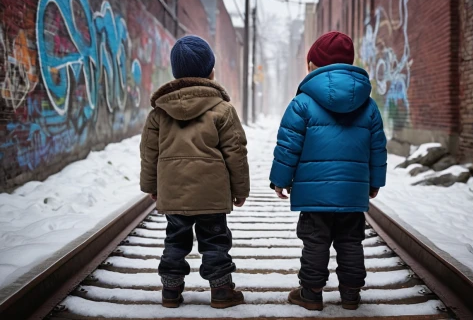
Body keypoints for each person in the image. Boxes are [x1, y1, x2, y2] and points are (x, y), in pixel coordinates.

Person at [269, 31, 387, 311]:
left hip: (314, 194)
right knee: (351, 241)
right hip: (351, 192)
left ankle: (310, 293)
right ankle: (350, 295)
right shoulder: (368, 105)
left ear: (312, 66)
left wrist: (280, 180)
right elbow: (377, 147)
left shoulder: (302, 102)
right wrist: (375, 181)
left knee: (314, 242)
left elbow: (288, 144)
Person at [140, 35, 250, 309]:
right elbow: (236, 152)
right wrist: (240, 189)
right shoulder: (222, 110)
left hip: (174, 192)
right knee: (215, 240)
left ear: (175, 73)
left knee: (175, 240)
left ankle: (170, 291)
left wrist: (151, 185)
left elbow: (149, 153)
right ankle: (222, 290)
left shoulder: (159, 113)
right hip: (211, 194)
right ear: (211, 72)